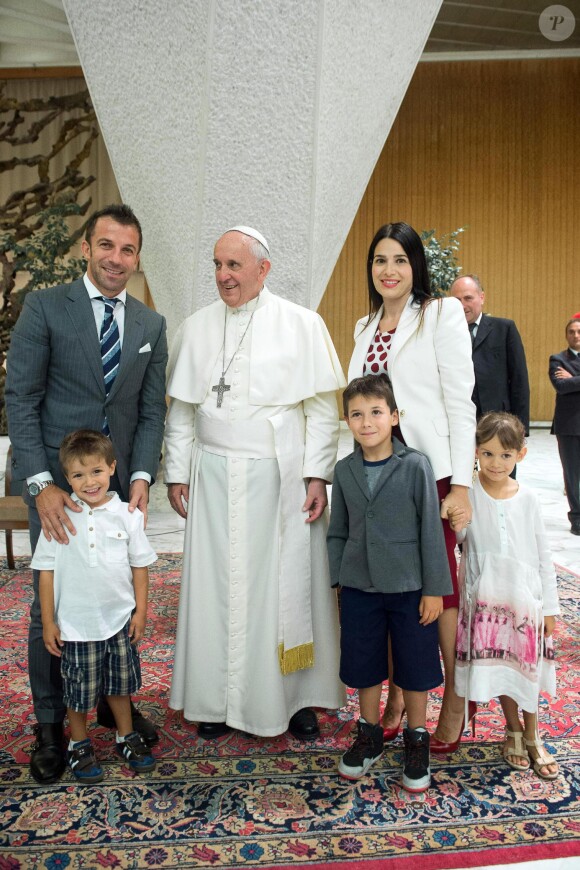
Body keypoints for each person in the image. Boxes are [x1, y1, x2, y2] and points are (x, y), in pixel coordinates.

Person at [5, 203, 167, 784]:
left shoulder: (150, 325)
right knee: (56, 601)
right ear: (86, 248)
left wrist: (142, 477)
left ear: (137, 256)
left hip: (116, 485)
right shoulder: (47, 307)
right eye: (106, 246)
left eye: (127, 250)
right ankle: (51, 724)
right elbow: (19, 399)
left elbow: (150, 413)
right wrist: (40, 484)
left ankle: (108, 702)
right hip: (58, 487)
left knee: (115, 592)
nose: (116, 259)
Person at [164, 225, 346, 740]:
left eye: (234, 266)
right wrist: (177, 471)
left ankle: (296, 699)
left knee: (285, 589)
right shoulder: (197, 326)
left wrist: (316, 474)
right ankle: (215, 699)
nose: (223, 276)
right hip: (213, 477)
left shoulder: (301, 325)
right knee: (216, 589)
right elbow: (181, 411)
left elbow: (320, 411)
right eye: (218, 265)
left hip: (280, 476)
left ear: (263, 270)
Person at [348, 222, 476, 752]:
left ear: (416, 266)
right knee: (390, 587)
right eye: (380, 260)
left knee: (437, 589)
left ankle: (454, 699)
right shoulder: (363, 325)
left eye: (400, 260)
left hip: (429, 473)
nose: (389, 270)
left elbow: (459, 401)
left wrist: (462, 485)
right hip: (377, 476)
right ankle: (399, 695)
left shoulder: (440, 314)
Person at [327, 374, 451, 791]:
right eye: (357, 415)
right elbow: (338, 531)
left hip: (411, 586)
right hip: (360, 585)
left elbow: (431, 533)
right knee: (362, 661)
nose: (367, 422)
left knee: (415, 663)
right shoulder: (344, 471)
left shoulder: (415, 465)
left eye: (376, 412)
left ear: (394, 417)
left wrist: (435, 588)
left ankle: (417, 737)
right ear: (347, 421)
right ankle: (369, 733)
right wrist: (337, 578)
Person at [34, 430, 158, 783]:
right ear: (66, 477)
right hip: (76, 624)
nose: (89, 482)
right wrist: (49, 622)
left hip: (118, 620)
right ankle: (79, 743)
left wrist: (141, 612)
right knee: (78, 691)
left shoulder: (127, 515)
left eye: (97, 472)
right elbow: (46, 573)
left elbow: (140, 566)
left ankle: (125, 735)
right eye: (78, 475)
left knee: (120, 686)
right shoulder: (59, 518)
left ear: (112, 468)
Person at [452, 413, 560, 779]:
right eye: (488, 454)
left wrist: (550, 608)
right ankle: (512, 729)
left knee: (525, 670)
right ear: (476, 453)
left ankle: (533, 734)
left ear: (521, 455)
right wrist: (457, 522)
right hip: (485, 602)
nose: (496, 463)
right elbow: (463, 541)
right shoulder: (468, 493)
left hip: (523, 601)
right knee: (499, 670)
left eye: (505, 455)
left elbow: (543, 555)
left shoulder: (527, 498)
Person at [450, 274, 530, 436]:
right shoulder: (445, 334)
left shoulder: (504, 329)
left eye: (468, 298)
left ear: (482, 297)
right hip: (459, 422)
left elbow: (519, 380)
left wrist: (521, 429)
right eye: (457, 300)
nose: (462, 305)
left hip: (500, 421)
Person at [549, 317, 580, 535]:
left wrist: (574, 380)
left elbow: (569, 384)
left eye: (579, 331)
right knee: (572, 475)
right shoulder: (557, 359)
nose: (576, 335)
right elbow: (560, 385)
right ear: (566, 334)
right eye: (571, 332)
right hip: (569, 426)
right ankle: (577, 518)